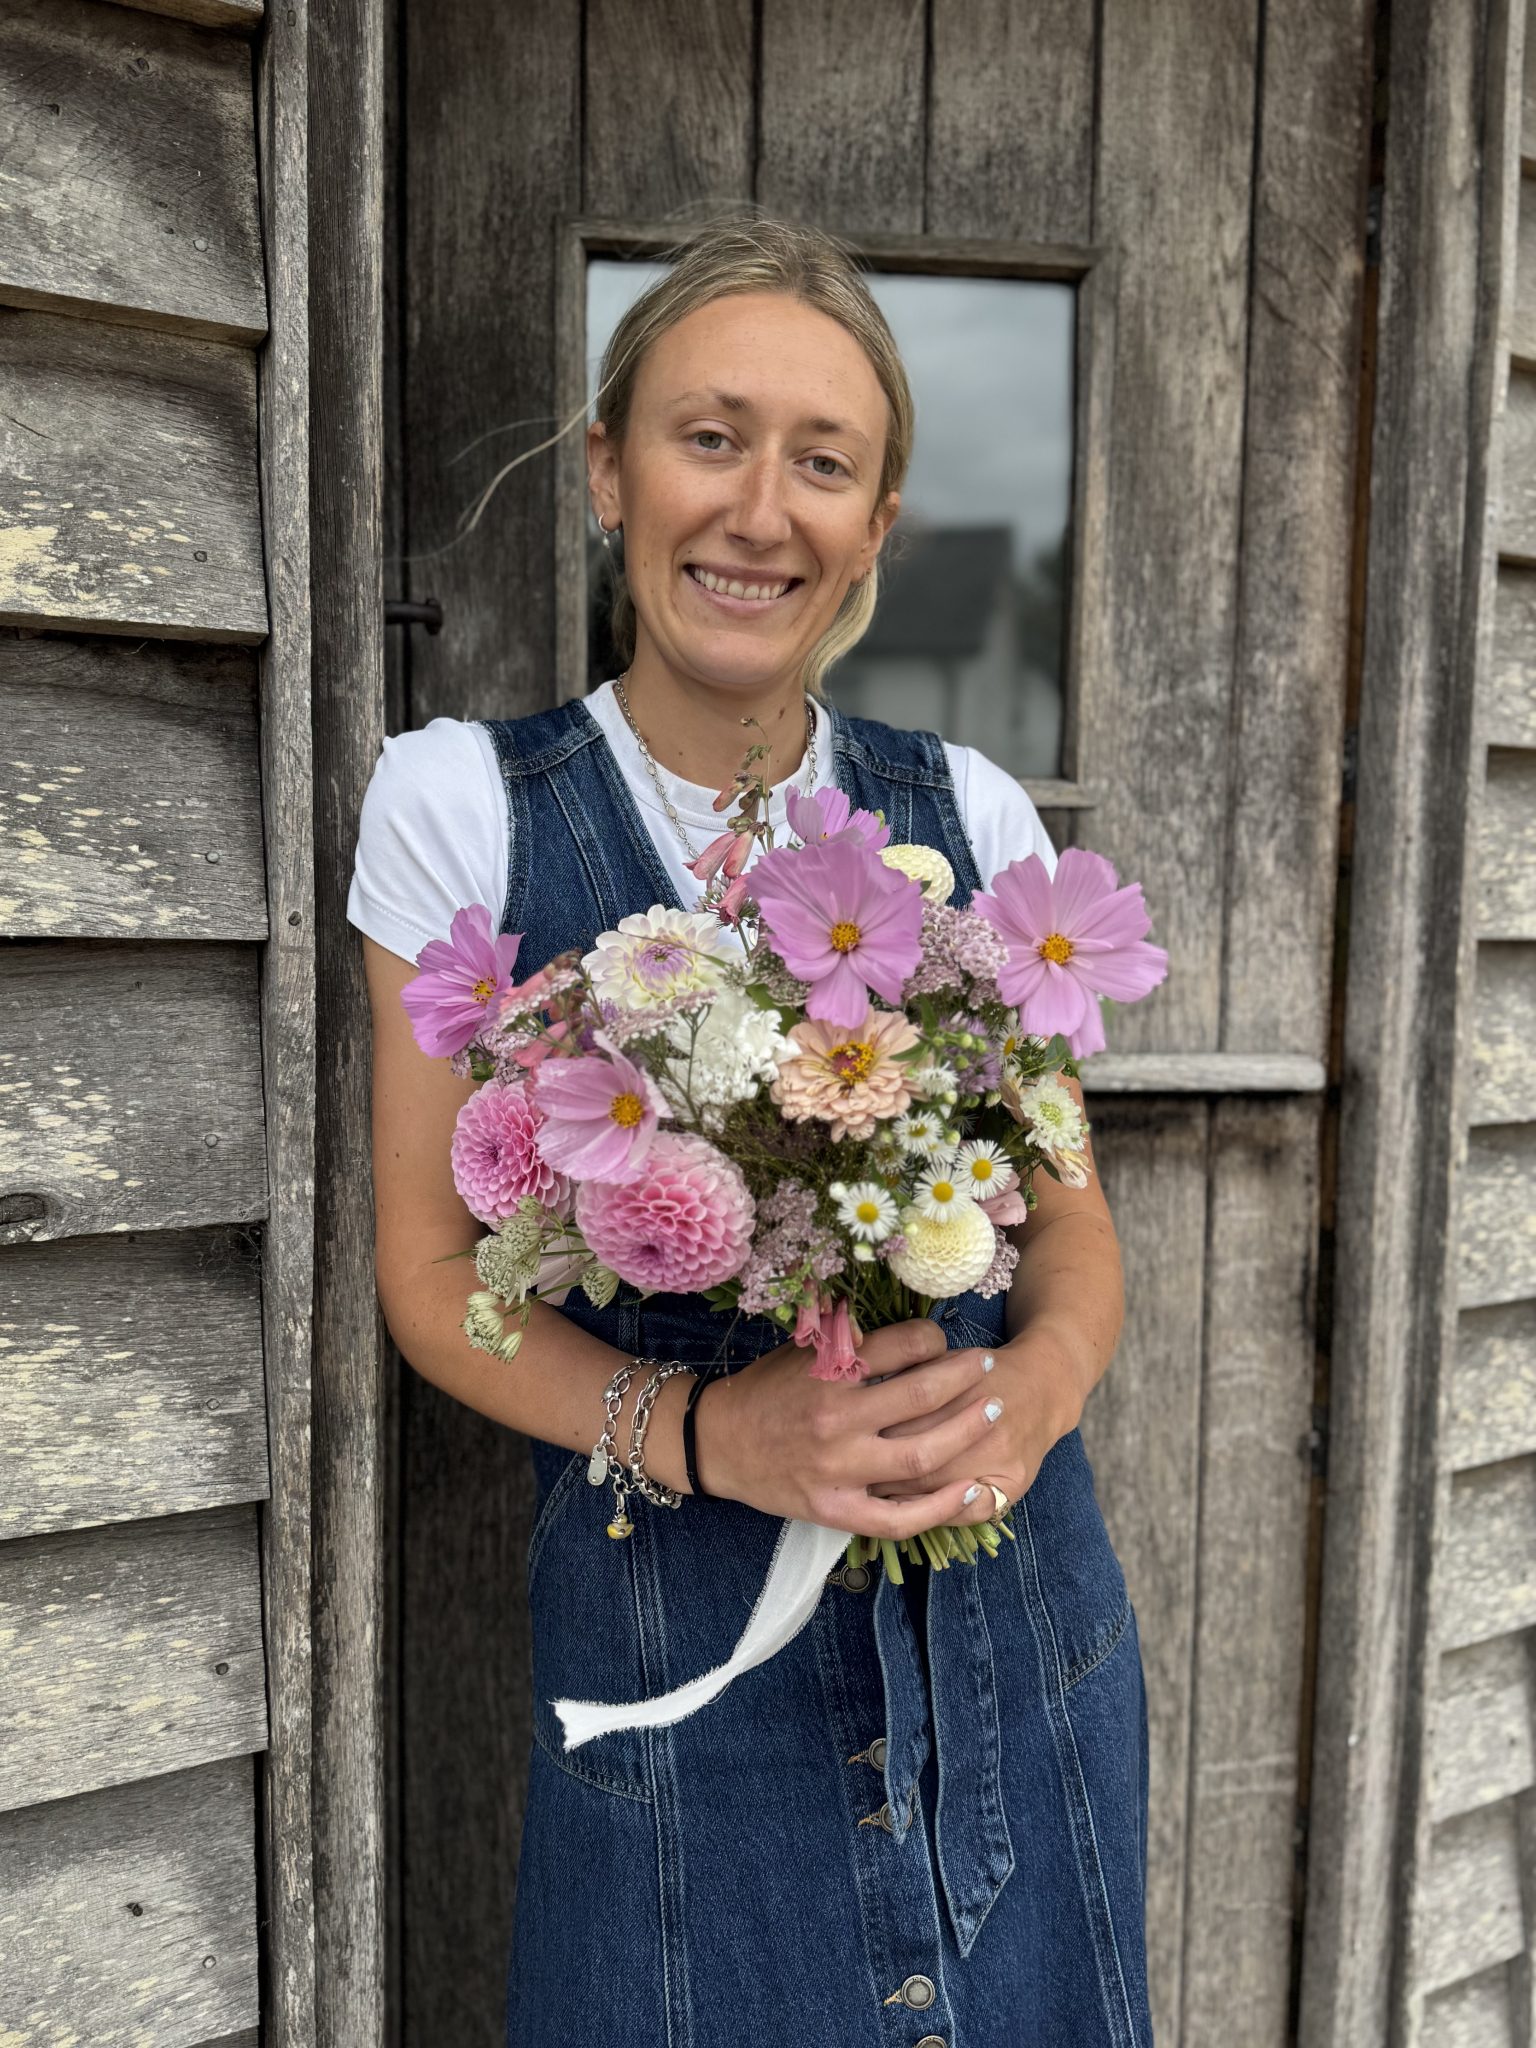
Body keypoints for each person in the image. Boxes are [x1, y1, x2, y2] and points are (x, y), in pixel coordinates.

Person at [349, 211, 1152, 2047]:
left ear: (879, 528)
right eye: (709, 438)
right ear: (608, 472)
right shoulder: (463, 806)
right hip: (684, 1674)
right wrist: (714, 1431)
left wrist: (1028, 1403)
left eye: (825, 463)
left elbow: (1070, 1221)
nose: (759, 510)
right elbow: (428, 1274)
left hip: (1008, 1652)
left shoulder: (969, 817)